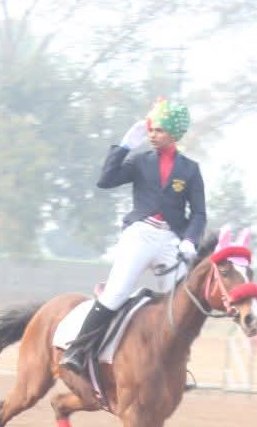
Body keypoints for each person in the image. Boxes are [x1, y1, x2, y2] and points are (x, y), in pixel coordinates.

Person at [61, 99, 206, 376]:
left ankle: (178, 366)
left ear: (174, 134)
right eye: (151, 130)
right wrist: (124, 146)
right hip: (141, 234)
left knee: (179, 306)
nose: (152, 135)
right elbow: (106, 180)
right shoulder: (141, 161)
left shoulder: (190, 169)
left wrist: (190, 240)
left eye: (159, 130)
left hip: (171, 241)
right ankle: (78, 350)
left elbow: (199, 213)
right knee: (117, 292)